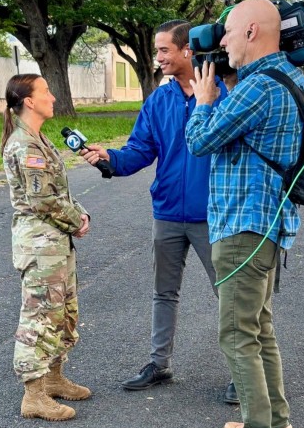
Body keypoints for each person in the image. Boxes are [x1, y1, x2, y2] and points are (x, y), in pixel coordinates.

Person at [80, 20, 237, 401]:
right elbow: (140, 150)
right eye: (157, 50)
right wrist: (109, 159)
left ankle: (241, 373)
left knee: (232, 297)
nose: (158, 57)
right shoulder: (159, 100)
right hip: (167, 212)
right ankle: (159, 363)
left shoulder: (226, 91)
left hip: (214, 214)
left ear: (188, 51)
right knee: (164, 292)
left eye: (164, 50)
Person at [185, 0, 304, 428]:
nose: (223, 43)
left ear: (253, 31)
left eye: (229, 33)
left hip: (242, 225)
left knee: (238, 334)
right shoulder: (285, 78)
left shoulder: (258, 87)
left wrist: (203, 101)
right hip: (265, 224)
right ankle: (274, 425)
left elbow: (200, 140)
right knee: (259, 329)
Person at [1, 73, 91, 421]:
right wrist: (76, 221)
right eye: (46, 92)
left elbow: (59, 194)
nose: (53, 97)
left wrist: (80, 214)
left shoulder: (39, 139)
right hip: (41, 245)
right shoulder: (24, 146)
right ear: (29, 101)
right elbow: (42, 200)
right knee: (39, 316)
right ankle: (34, 395)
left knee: (61, 311)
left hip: (55, 242)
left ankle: (53, 378)